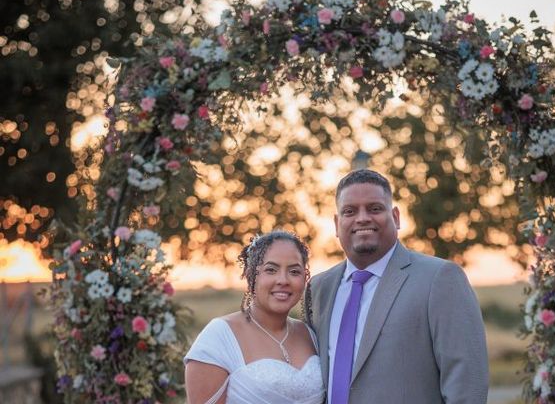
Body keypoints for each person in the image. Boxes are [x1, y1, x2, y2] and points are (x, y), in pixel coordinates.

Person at [306, 169, 489, 403]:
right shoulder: (319, 288)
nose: (362, 218)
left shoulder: (439, 279)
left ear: (396, 217)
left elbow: (467, 384)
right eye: (350, 211)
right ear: (336, 222)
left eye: (374, 208)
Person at [184, 230, 325, 404]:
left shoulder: (310, 334)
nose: (283, 280)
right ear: (251, 276)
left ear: (305, 278)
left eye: (294, 271)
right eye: (271, 270)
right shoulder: (220, 336)